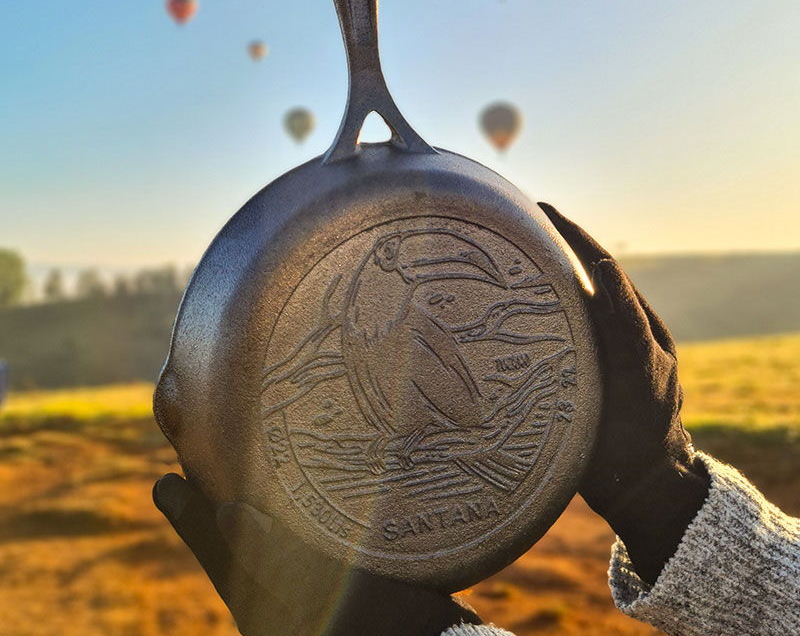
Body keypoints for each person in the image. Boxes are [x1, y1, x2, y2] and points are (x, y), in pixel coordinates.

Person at [153, 205, 800, 636]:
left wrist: (663, 494)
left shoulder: (409, 323)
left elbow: (446, 397)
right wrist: (669, 504)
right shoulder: (367, 317)